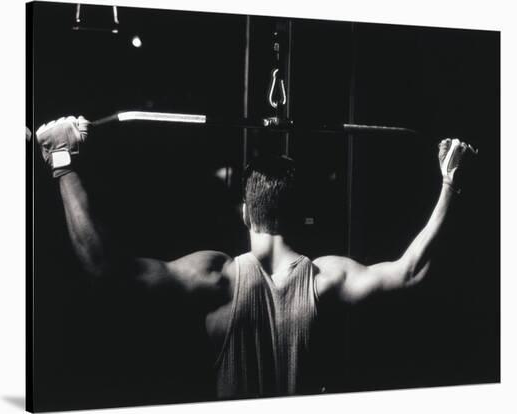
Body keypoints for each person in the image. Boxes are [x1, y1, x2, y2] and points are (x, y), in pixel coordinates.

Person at [35, 115, 472, 399]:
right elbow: (410, 272)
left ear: (245, 211)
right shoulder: (326, 279)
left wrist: (63, 162)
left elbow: (102, 268)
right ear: (300, 216)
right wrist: (450, 183)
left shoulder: (215, 277)